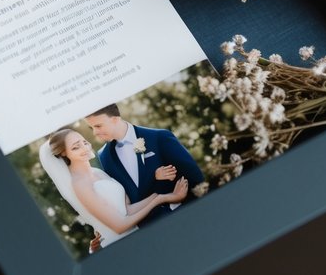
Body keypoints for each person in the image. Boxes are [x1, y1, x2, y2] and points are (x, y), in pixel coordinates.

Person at [39, 128, 188, 250]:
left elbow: (127, 210)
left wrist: (164, 195)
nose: (85, 147)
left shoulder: (98, 172)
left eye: (84, 142)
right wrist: (161, 199)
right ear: (64, 153)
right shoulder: (80, 185)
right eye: (76, 147)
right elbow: (120, 226)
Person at [84, 103, 205, 227]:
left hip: (183, 218)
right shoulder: (104, 156)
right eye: (91, 127)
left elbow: (196, 180)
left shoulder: (159, 137)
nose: (95, 133)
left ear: (115, 119)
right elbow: (128, 199)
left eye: (98, 126)